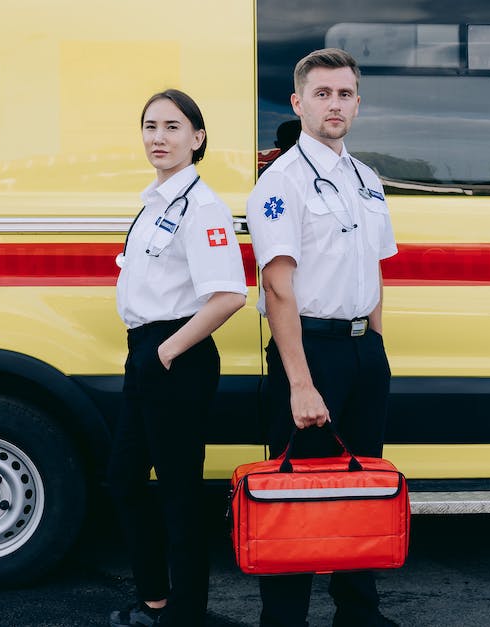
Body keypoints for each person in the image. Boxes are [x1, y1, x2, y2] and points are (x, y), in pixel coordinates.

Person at [245, 49, 399, 627]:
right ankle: (284, 620)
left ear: (357, 103)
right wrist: (301, 384)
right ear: (298, 102)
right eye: (322, 94)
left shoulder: (367, 180)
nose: (333, 104)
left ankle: (358, 614)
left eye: (344, 94)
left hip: (363, 352)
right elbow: (278, 288)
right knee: (296, 496)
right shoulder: (280, 183)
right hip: (310, 356)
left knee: (361, 489)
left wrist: (376, 346)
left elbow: (375, 270)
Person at [108, 89, 247, 627]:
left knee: (178, 490)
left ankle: (183, 611)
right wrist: (149, 352)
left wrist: (166, 350)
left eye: (171, 127)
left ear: (198, 137)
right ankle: (157, 600)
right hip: (146, 352)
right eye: (150, 127)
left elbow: (230, 295)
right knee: (123, 478)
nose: (158, 137)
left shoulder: (202, 206)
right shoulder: (154, 201)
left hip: (176, 354)